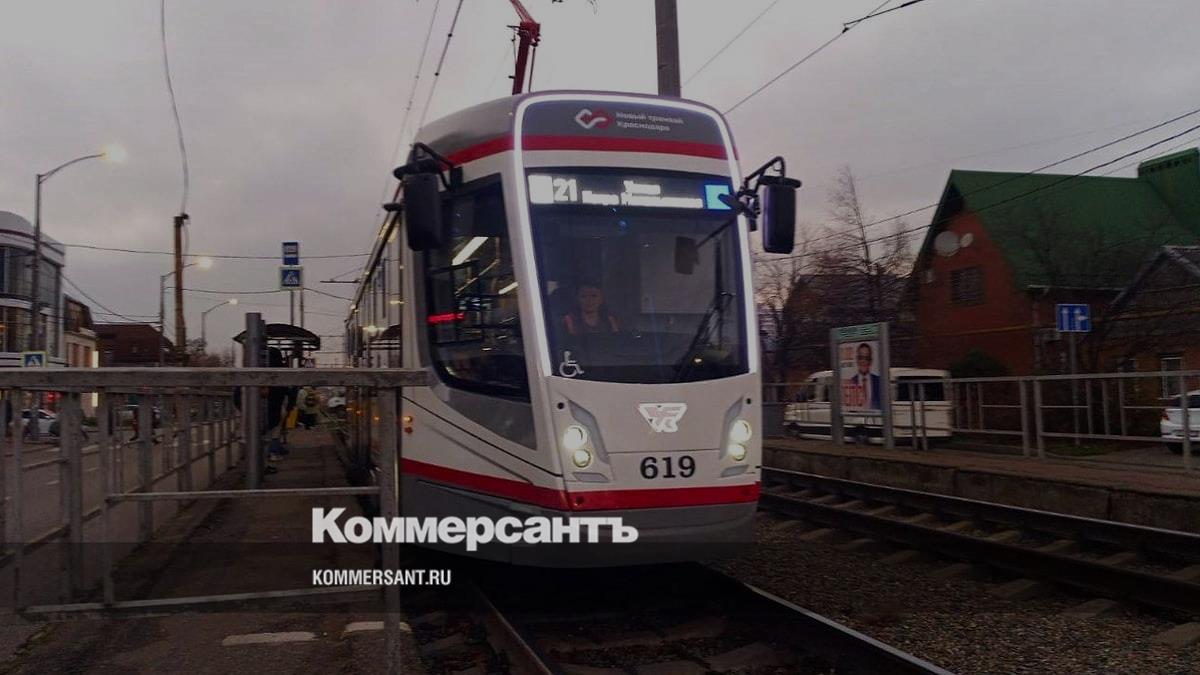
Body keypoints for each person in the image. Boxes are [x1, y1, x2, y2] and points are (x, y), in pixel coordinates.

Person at [849, 343, 883, 410]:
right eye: (860, 358)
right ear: (857, 359)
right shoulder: (851, 381)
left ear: (871, 360)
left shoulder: (879, 381)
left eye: (867, 358)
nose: (863, 361)